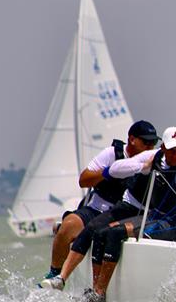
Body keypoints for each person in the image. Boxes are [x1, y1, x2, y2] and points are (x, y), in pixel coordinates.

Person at [41, 127, 176, 302]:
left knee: (113, 233)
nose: (175, 155)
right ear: (163, 147)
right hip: (154, 218)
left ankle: (99, 292)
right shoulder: (153, 157)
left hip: (174, 224)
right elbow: (115, 169)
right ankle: (78, 284)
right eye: (171, 150)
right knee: (98, 232)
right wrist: (142, 167)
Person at [41, 120, 158, 282]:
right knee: (67, 226)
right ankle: (55, 274)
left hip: (125, 214)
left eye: (154, 143)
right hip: (98, 209)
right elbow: (84, 180)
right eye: (146, 142)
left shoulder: (153, 159)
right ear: (132, 139)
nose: (150, 147)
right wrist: (108, 173)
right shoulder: (111, 154)